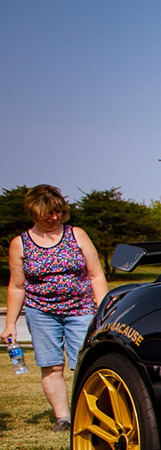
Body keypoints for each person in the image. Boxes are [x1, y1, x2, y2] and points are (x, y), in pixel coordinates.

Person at [3, 184, 109, 431]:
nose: (54, 218)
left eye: (58, 212)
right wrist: (10, 325)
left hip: (80, 309)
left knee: (87, 362)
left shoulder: (77, 235)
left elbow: (96, 275)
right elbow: (17, 286)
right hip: (41, 311)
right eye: (48, 214)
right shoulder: (20, 243)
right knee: (51, 366)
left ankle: (94, 414)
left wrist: (103, 310)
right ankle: (64, 419)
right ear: (34, 213)